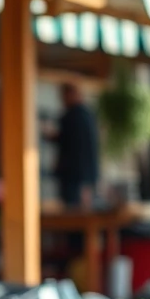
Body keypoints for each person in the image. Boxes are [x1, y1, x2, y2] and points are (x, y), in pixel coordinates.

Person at [53, 82, 100, 210]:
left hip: (74, 175)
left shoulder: (74, 116)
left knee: (74, 211)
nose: (63, 100)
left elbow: (77, 147)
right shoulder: (88, 115)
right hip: (82, 175)